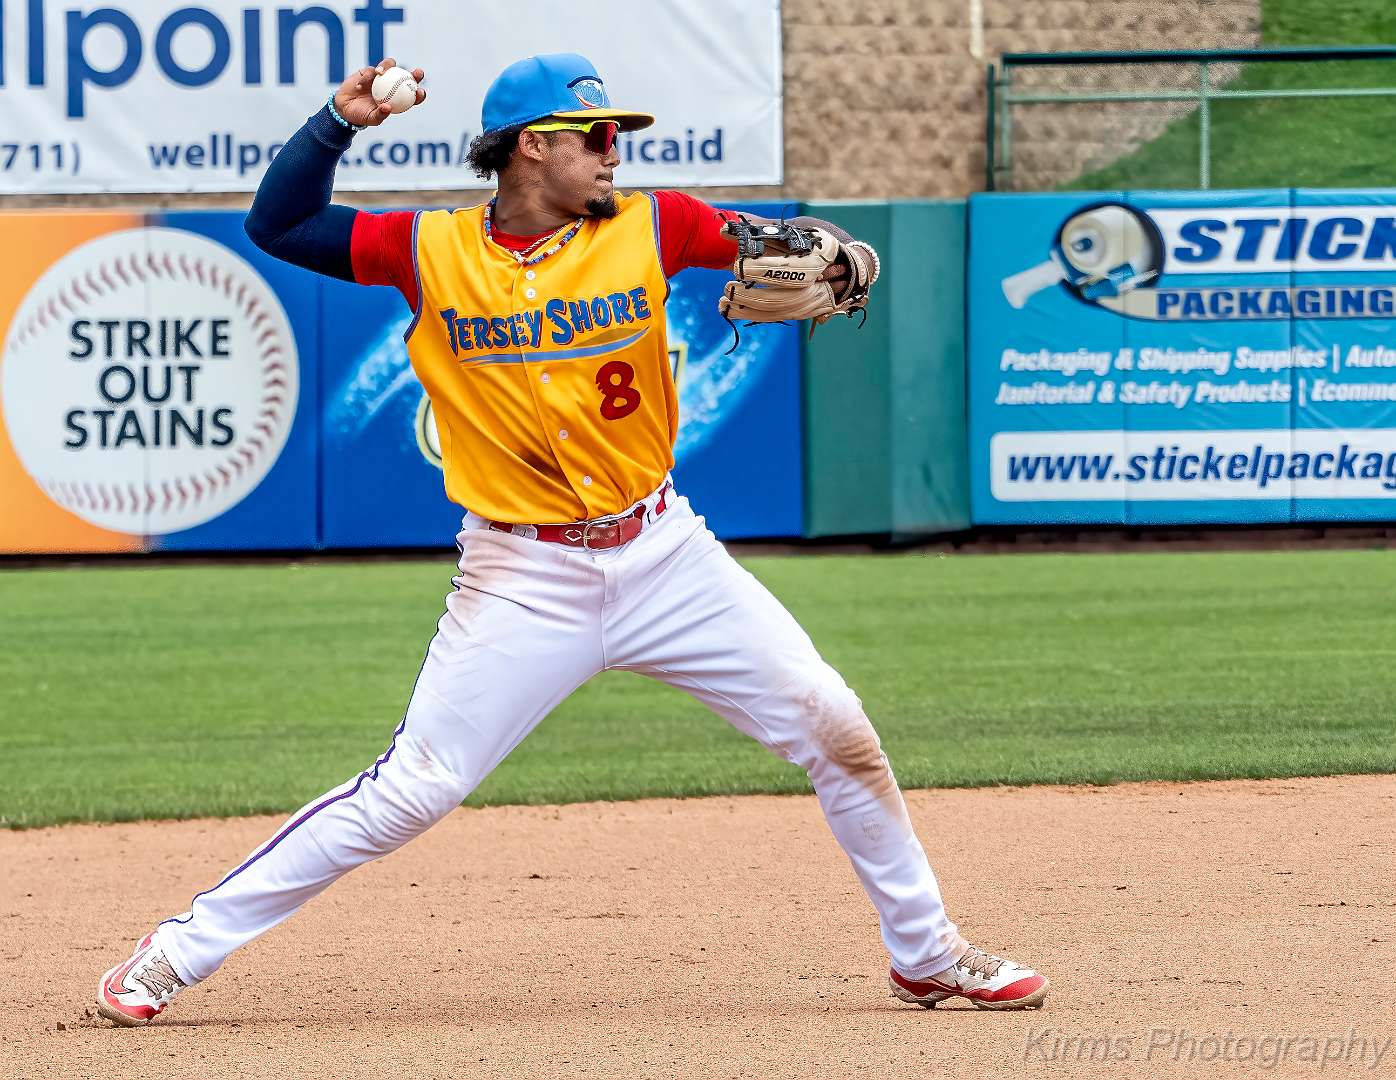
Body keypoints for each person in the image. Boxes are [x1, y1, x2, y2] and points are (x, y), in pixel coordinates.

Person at [95, 53, 1048, 1026]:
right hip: (523, 573)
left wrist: (838, 253)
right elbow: (279, 223)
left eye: (615, 133)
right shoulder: (428, 250)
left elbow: (781, 241)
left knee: (836, 725)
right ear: (530, 147)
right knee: (413, 789)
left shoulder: (656, 224)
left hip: (665, 556)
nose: (612, 150)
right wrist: (337, 124)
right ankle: (176, 950)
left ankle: (927, 954)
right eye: (592, 134)